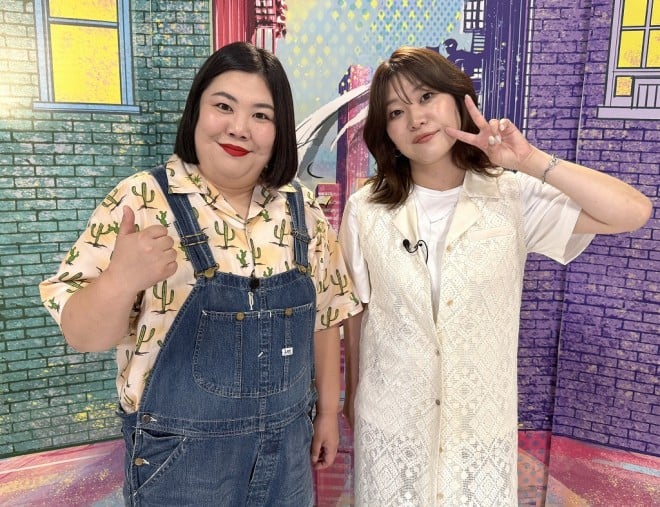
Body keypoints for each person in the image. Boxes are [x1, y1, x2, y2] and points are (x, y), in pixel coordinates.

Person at [39, 41, 362, 506]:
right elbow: (83, 336)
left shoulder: (302, 209)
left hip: (289, 452)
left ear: (279, 131)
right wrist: (118, 281)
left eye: (261, 115)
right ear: (196, 111)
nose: (239, 128)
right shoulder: (140, 200)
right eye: (223, 106)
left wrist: (328, 413)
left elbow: (325, 318)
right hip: (180, 463)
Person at [338, 46, 652, 506]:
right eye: (396, 112)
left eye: (426, 97)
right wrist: (352, 397)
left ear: (457, 99)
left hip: (478, 433)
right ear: (386, 131)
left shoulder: (511, 196)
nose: (416, 118)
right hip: (391, 428)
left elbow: (632, 211)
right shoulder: (366, 209)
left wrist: (529, 160)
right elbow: (356, 311)